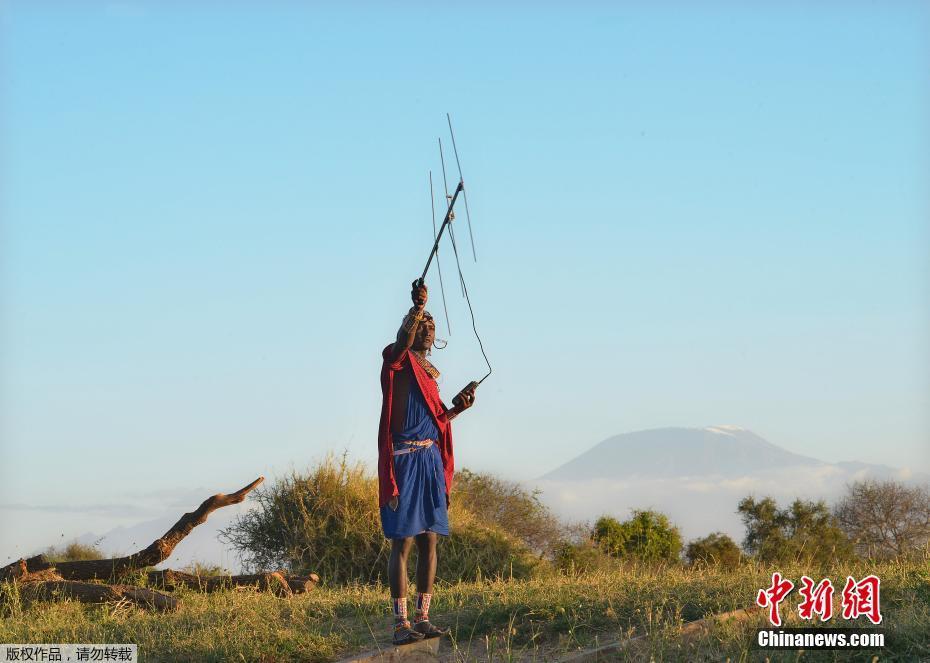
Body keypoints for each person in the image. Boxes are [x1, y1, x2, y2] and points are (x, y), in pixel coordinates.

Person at [377, 279, 477, 645]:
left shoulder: (430, 376)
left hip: (430, 462)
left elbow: (434, 425)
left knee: (429, 540)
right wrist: (416, 307)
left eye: (431, 327)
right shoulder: (397, 362)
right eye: (422, 325)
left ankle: (422, 618)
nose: (428, 331)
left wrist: (455, 410)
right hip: (403, 461)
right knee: (401, 542)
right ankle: (400, 624)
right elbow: (400, 343)